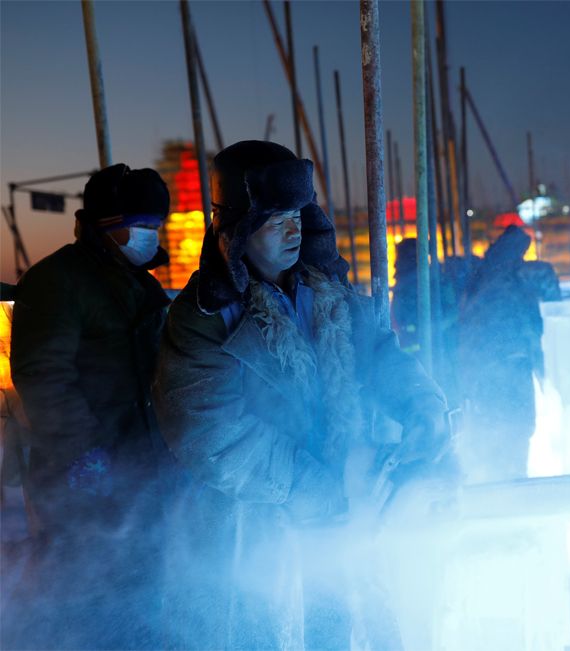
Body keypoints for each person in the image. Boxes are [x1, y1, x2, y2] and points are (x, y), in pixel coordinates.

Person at [152, 140, 452, 650]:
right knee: (270, 634)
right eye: (274, 220)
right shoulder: (203, 319)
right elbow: (214, 439)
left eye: (297, 214)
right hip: (259, 529)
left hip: (344, 511)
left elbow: (381, 356)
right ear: (236, 229)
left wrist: (423, 409)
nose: (294, 230)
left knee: (349, 626)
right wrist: (317, 488)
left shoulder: (330, 294)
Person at [6, 164, 172, 649]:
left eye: (155, 226)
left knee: (136, 585)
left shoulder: (137, 282)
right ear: (105, 224)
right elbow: (43, 376)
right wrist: (87, 455)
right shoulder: (58, 281)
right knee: (81, 586)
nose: (149, 236)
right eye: (140, 225)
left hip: (136, 461)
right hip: (85, 471)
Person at [457, 225, 543, 481]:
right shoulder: (511, 282)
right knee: (514, 428)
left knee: (494, 427)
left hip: (486, 367)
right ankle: (513, 480)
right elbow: (530, 325)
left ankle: (496, 477)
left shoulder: (482, 276)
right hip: (509, 367)